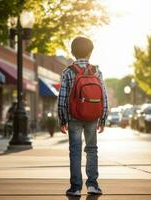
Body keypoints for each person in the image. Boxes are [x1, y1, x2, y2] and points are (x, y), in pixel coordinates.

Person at [58, 36, 108, 197]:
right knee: (92, 149)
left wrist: (62, 119)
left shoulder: (67, 72)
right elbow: (104, 96)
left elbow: (63, 98)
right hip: (93, 116)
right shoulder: (96, 71)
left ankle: (76, 187)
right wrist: (103, 118)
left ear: (72, 52)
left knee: (75, 150)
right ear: (90, 53)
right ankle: (93, 185)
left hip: (74, 117)